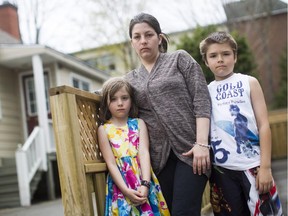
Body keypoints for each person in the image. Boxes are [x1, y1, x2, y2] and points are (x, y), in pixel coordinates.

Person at [125, 13, 211, 215]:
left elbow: (201, 99)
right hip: (158, 162)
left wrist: (201, 144)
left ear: (160, 37)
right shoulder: (130, 79)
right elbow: (110, 95)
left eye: (149, 35)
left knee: (184, 211)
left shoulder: (179, 59)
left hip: (192, 153)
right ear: (132, 42)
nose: (143, 41)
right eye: (137, 37)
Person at [199, 31, 283, 216]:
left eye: (226, 54)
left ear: (235, 56)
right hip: (222, 170)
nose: (220, 59)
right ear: (206, 61)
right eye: (213, 55)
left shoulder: (249, 82)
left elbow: (263, 125)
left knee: (267, 212)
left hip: (254, 166)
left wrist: (266, 167)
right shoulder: (205, 92)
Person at [97, 77, 170, 215]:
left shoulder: (139, 123)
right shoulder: (104, 129)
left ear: (131, 100)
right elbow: (111, 163)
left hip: (143, 181)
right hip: (121, 186)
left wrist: (145, 184)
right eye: (113, 99)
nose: (120, 103)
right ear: (106, 103)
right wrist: (125, 190)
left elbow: (144, 153)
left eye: (124, 98)